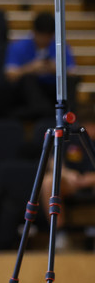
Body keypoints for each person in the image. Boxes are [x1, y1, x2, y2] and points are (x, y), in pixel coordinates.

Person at [39, 104, 95, 250]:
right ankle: (60, 234)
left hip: (92, 181)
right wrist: (68, 174)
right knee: (48, 182)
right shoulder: (72, 135)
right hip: (73, 183)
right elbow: (54, 162)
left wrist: (91, 178)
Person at [5, 11, 79, 120]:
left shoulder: (61, 47)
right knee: (28, 79)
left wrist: (56, 69)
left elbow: (73, 73)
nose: (45, 40)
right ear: (34, 32)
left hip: (53, 89)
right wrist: (30, 68)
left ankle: (66, 113)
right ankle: (44, 113)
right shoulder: (18, 46)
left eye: (48, 36)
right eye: (42, 36)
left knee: (70, 81)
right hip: (30, 95)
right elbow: (10, 75)